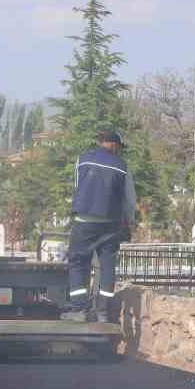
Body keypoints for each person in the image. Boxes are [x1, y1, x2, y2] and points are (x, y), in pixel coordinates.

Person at [66, 128, 136, 322]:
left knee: (79, 263)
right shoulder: (122, 166)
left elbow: (77, 186)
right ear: (113, 145)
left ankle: (79, 309)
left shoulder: (83, 160)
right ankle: (103, 312)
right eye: (119, 147)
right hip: (110, 224)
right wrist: (129, 219)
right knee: (107, 267)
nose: (119, 151)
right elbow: (130, 199)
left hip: (84, 221)